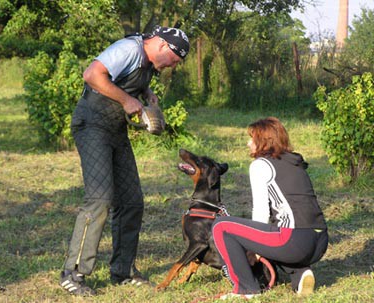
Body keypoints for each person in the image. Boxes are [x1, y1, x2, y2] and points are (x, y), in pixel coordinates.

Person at [60, 26, 190, 296]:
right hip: (91, 124)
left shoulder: (148, 62)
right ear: (163, 46)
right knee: (99, 198)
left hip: (115, 128)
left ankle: (123, 270)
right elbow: (93, 75)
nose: (171, 67)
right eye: (174, 61)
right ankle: (73, 273)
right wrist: (127, 100)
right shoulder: (129, 48)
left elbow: (130, 80)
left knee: (132, 200)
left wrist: (146, 94)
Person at [212, 117, 328, 300]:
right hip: (320, 241)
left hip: (294, 240)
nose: (248, 143)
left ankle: (245, 289)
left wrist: (254, 247)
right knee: (277, 230)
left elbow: (261, 213)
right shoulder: (296, 163)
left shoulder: (261, 165)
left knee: (221, 226)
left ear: (263, 141)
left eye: (252, 138)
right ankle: (301, 274)